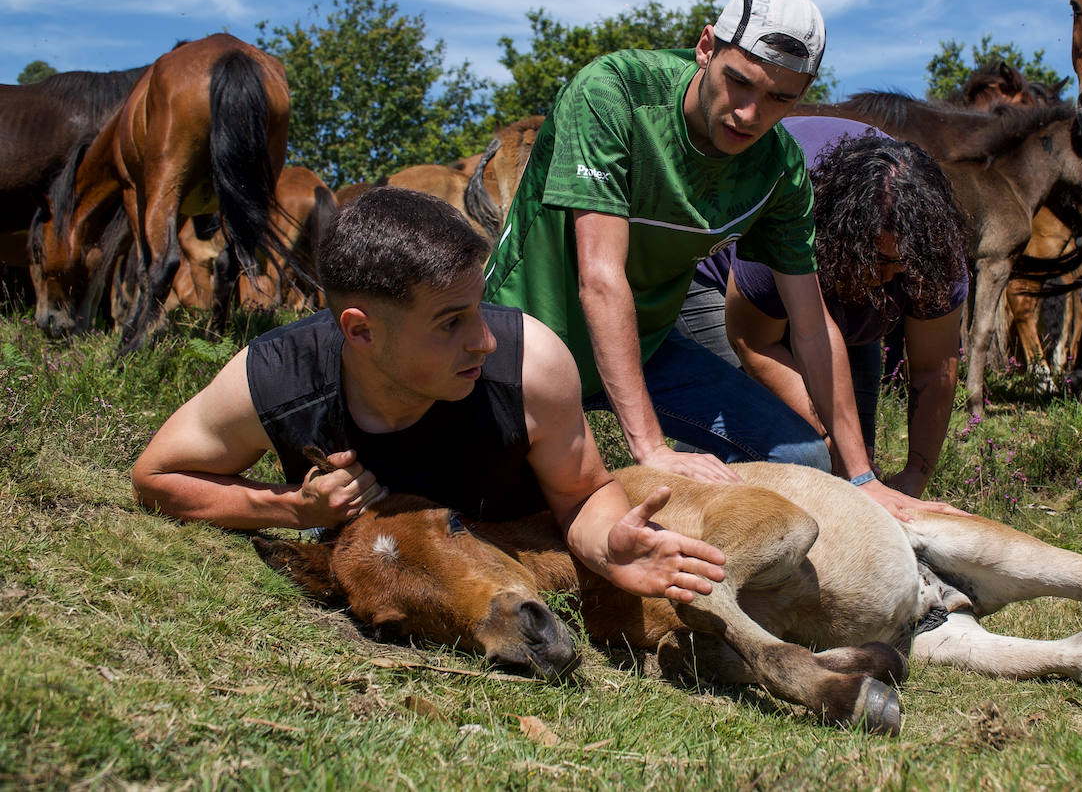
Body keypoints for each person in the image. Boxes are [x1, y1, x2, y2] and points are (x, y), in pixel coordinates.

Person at [485, 0, 956, 520]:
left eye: (781, 98)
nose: (750, 115)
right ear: (707, 47)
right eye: (740, 82)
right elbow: (600, 278)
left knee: (800, 457)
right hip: (528, 337)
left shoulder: (779, 168)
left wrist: (862, 476)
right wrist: (650, 448)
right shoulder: (612, 93)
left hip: (649, 342)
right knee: (499, 508)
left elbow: (810, 324)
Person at [132, 186, 726, 604]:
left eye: (479, 307)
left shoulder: (533, 365)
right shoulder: (278, 376)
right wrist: (291, 509)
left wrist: (609, 545)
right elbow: (155, 479)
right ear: (360, 331)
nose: (485, 340)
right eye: (451, 322)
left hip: (520, 570)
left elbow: (582, 492)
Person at [678, 117, 968, 498]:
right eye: (877, 260)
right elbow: (754, 343)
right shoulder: (787, 216)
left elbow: (934, 371)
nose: (885, 278)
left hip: (834, 295)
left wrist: (914, 475)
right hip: (720, 283)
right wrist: (829, 443)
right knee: (788, 443)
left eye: (901, 267)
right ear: (841, 236)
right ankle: (692, 493)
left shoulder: (933, 249)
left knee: (854, 466)